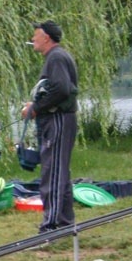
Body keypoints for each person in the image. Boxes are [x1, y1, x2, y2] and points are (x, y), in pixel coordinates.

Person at [22, 20, 78, 232]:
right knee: (59, 173)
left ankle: (51, 226)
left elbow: (62, 89)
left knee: (53, 172)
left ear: (46, 37)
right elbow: (55, 89)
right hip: (58, 119)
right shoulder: (56, 57)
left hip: (58, 120)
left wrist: (35, 108)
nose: (32, 39)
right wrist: (36, 105)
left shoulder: (56, 57)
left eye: (35, 35)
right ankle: (64, 224)